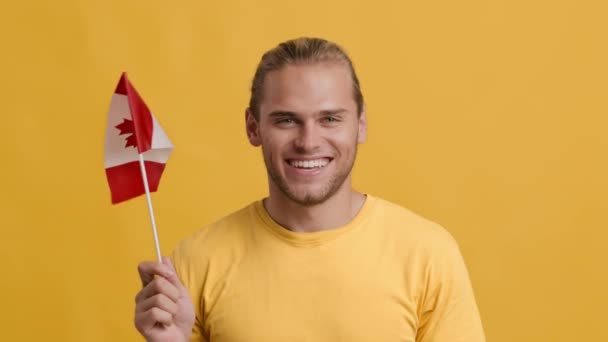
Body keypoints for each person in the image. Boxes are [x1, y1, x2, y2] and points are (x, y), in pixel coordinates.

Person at [134, 37, 485, 342]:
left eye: (330, 118)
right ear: (253, 128)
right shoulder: (194, 263)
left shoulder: (428, 255)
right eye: (287, 120)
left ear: (360, 125)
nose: (308, 141)